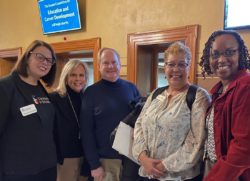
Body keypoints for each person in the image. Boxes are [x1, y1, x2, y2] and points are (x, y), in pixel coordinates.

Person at [132, 42, 211, 181]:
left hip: (180, 177)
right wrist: (143, 158)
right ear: (165, 67)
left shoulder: (198, 96)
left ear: (189, 67)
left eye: (181, 64)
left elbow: (197, 141)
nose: (176, 69)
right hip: (148, 173)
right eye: (171, 64)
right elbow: (139, 125)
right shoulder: (156, 93)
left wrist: (162, 166)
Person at [80, 47, 141, 181]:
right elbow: (86, 132)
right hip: (105, 161)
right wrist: (94, 164)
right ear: (99, 66)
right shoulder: (90, 93)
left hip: (132, 159)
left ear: (120, 65)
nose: (110, 66)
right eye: (105, 63)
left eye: (114, 62)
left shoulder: (131, 88)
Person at [0, 40, 57, 181]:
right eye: (40, 56)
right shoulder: (5, 87)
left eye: (49, 60)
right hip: (18, 171)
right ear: (27, 57)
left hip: (46, 168)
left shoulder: (41, 88)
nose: (45, 62)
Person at [200, 30, 250, 181]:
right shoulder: (217, 90)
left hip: (233, 173)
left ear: (240, 54)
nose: (221, 59)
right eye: (215, 54)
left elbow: (243, 146)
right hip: (214, 165)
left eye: (229, 52)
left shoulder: (245, 87)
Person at [49, 59, 92, 181]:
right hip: (65, 158)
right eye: (73, 75)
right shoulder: (54, 98)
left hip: (86, 157)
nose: (77, 79)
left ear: (86, 78)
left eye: (81, 75)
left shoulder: (87, 97)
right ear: (65, 76)